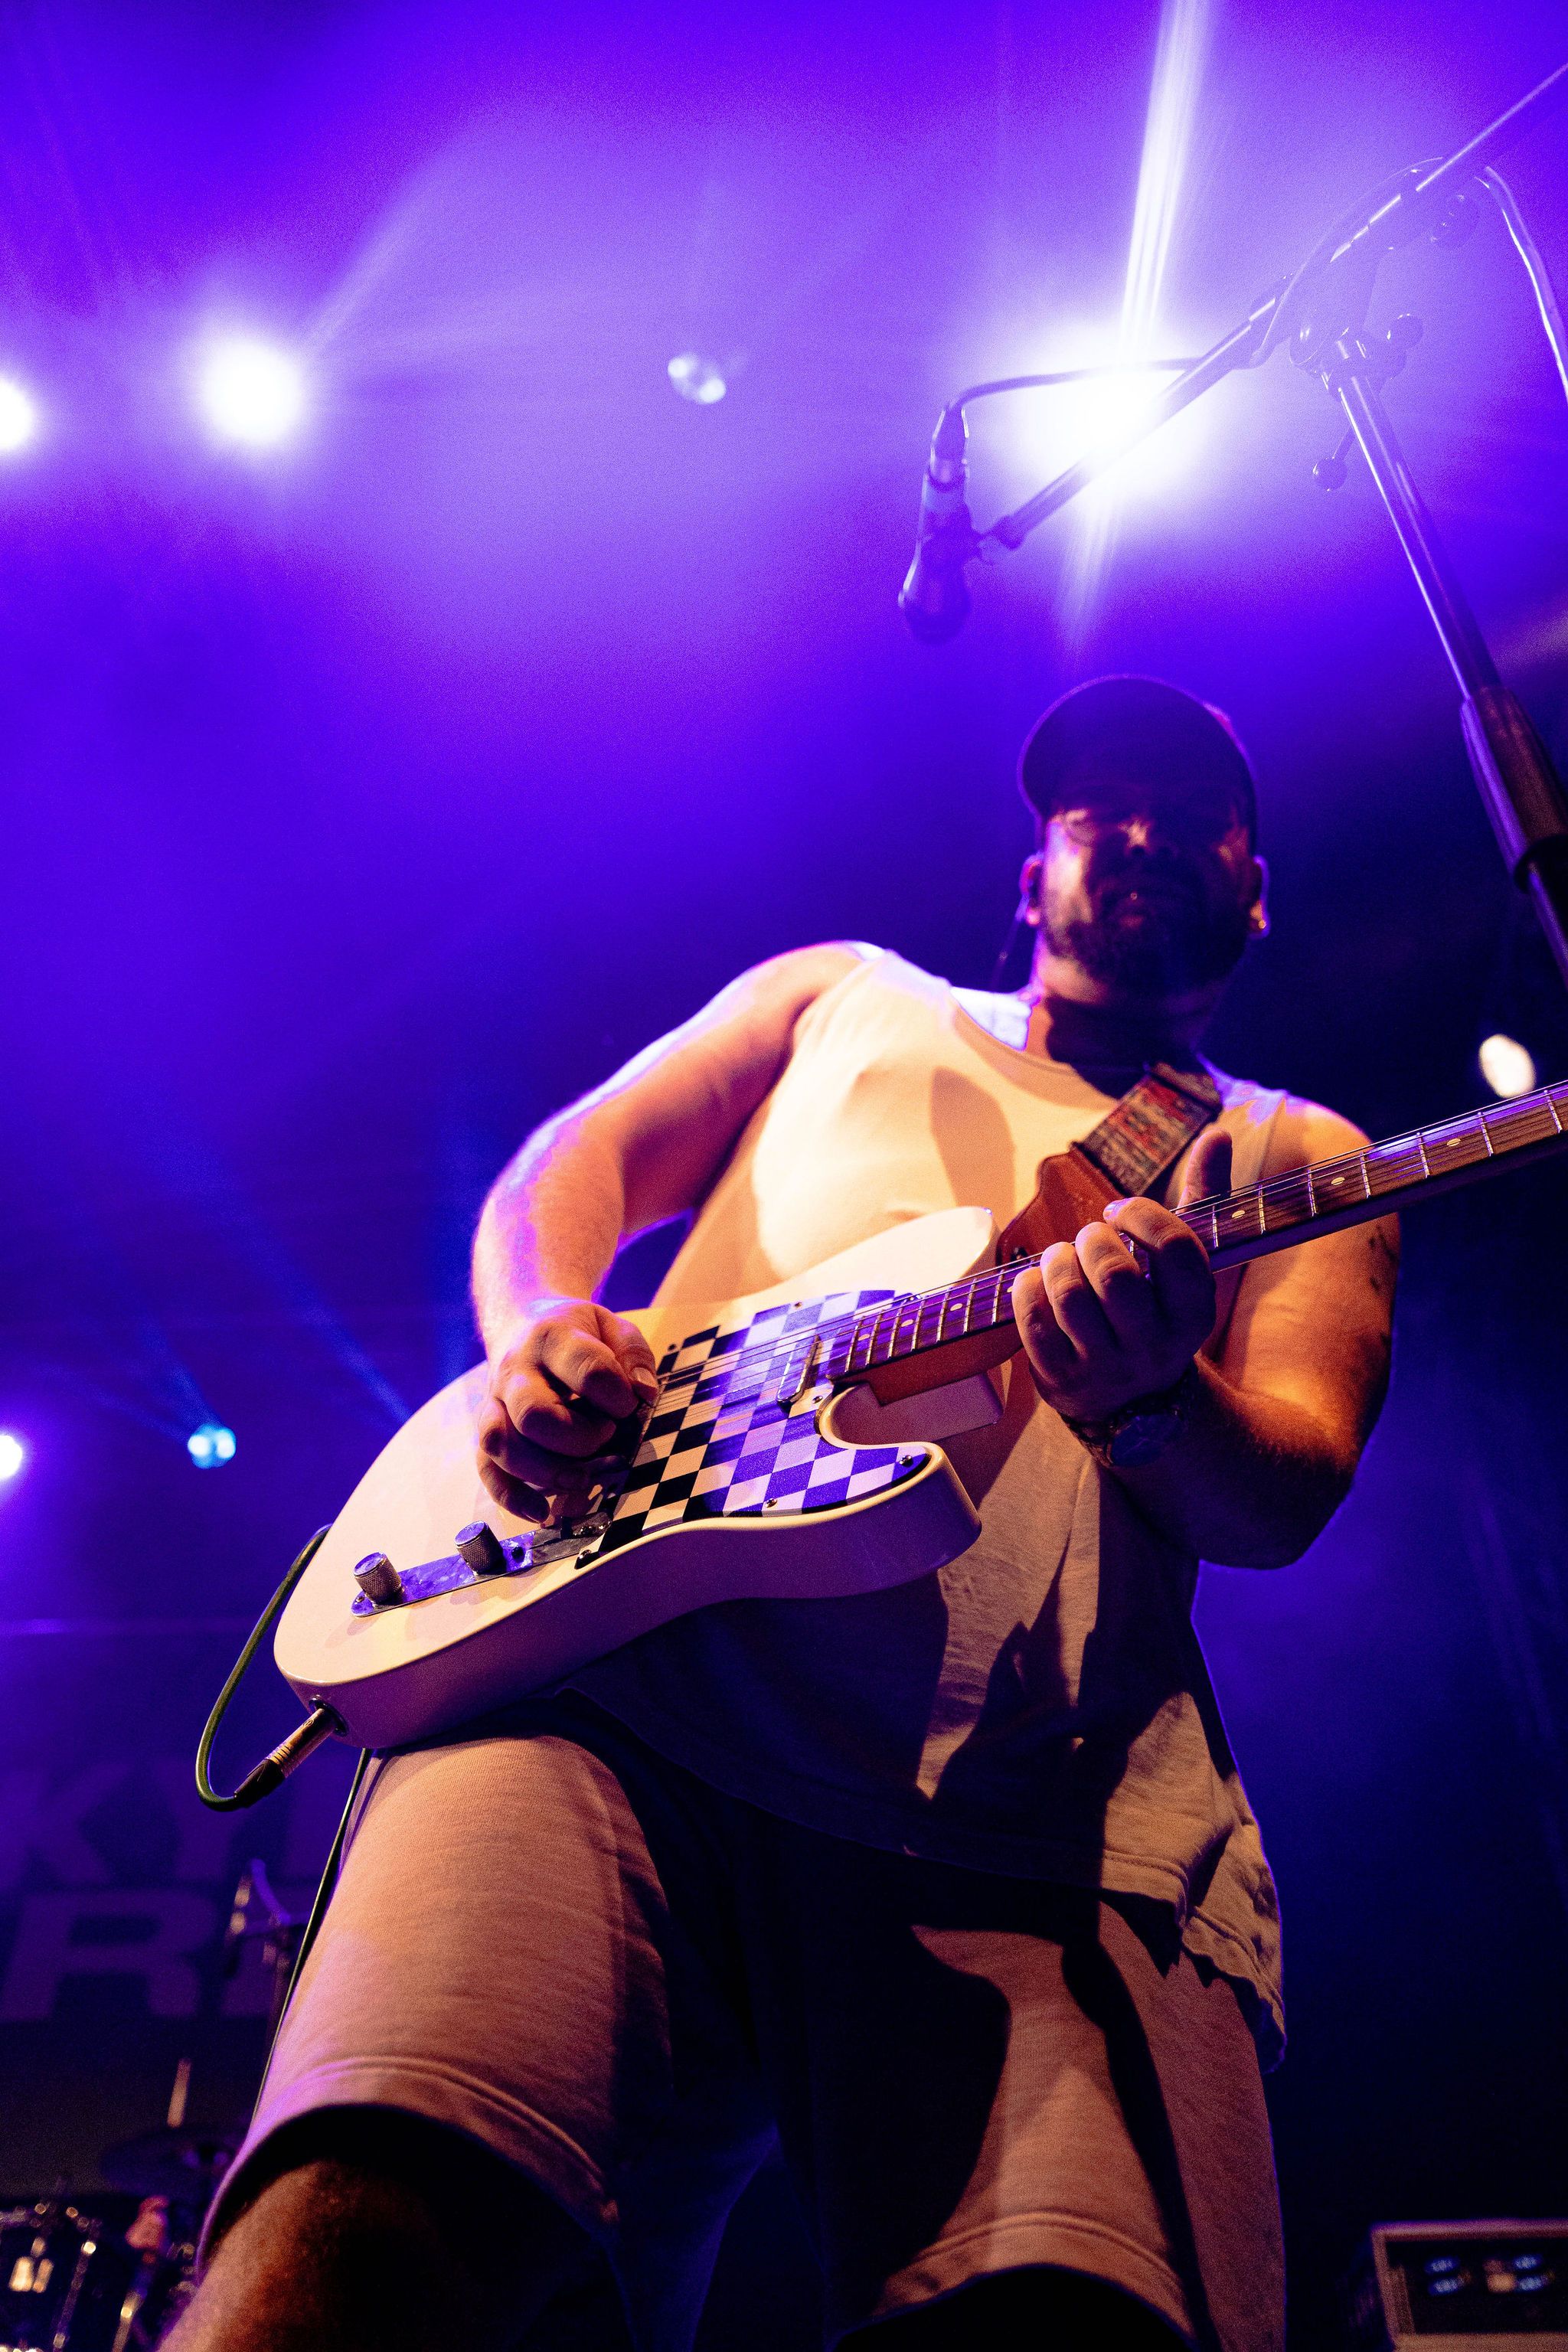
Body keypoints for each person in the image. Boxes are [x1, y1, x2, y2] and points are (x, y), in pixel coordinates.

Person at [171, 677, 1396, 2352]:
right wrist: (542, 1324)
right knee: (350, 2244)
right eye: (1098, 808)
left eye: (1196, 819)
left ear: (1254, 894)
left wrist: (1150, 1398)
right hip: (604, 1705)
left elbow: (1284, 1490)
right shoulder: (844, 994)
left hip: (1038, 1810)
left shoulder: (1292, 1147)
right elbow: (571, 1164)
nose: (1143, 835)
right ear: (1031, 871)